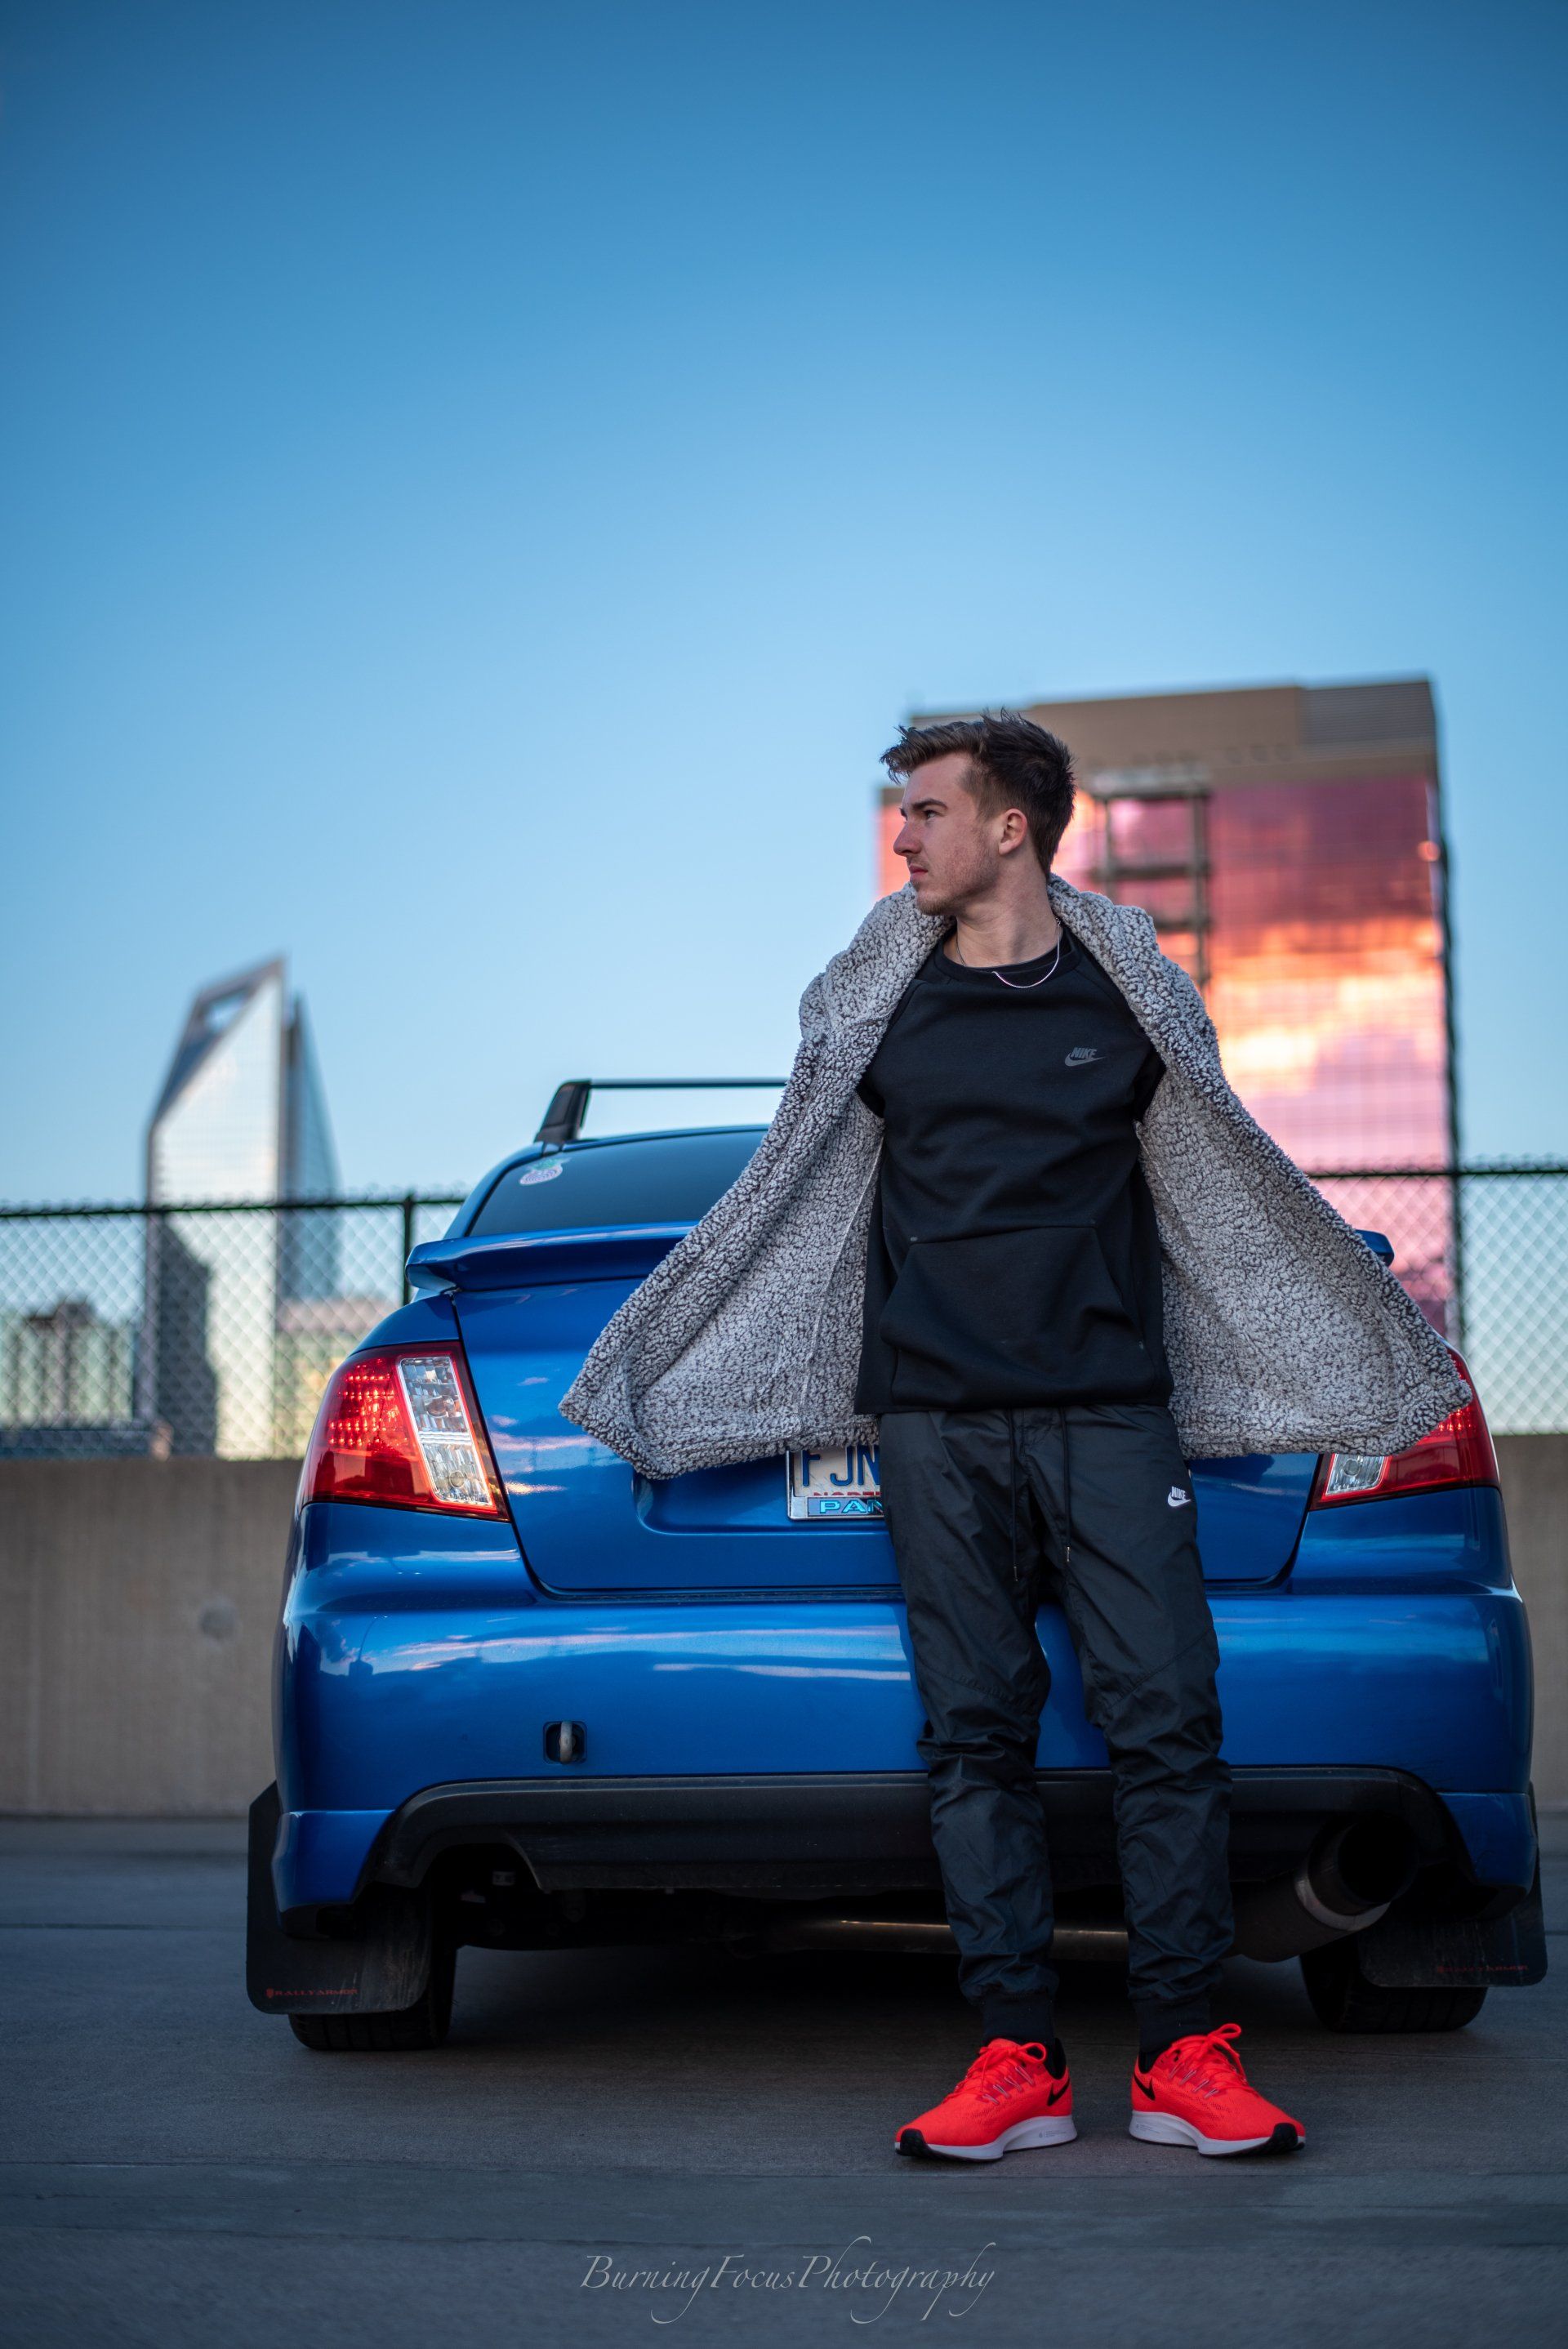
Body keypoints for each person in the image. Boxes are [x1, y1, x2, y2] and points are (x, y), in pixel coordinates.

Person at [563, 712, 1466, 2163]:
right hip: (932, 1421)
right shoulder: (872, 1002)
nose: (902, 837)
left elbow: (1225, 1181)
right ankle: (1016, 2060)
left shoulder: (1128, 992)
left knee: (1168, 1723)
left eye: (926, 811)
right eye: (899, 813)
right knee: (973, 1737)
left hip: (1113, 1411)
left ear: (1010, 829)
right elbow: (790, 1191)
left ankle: (1182, 2059)